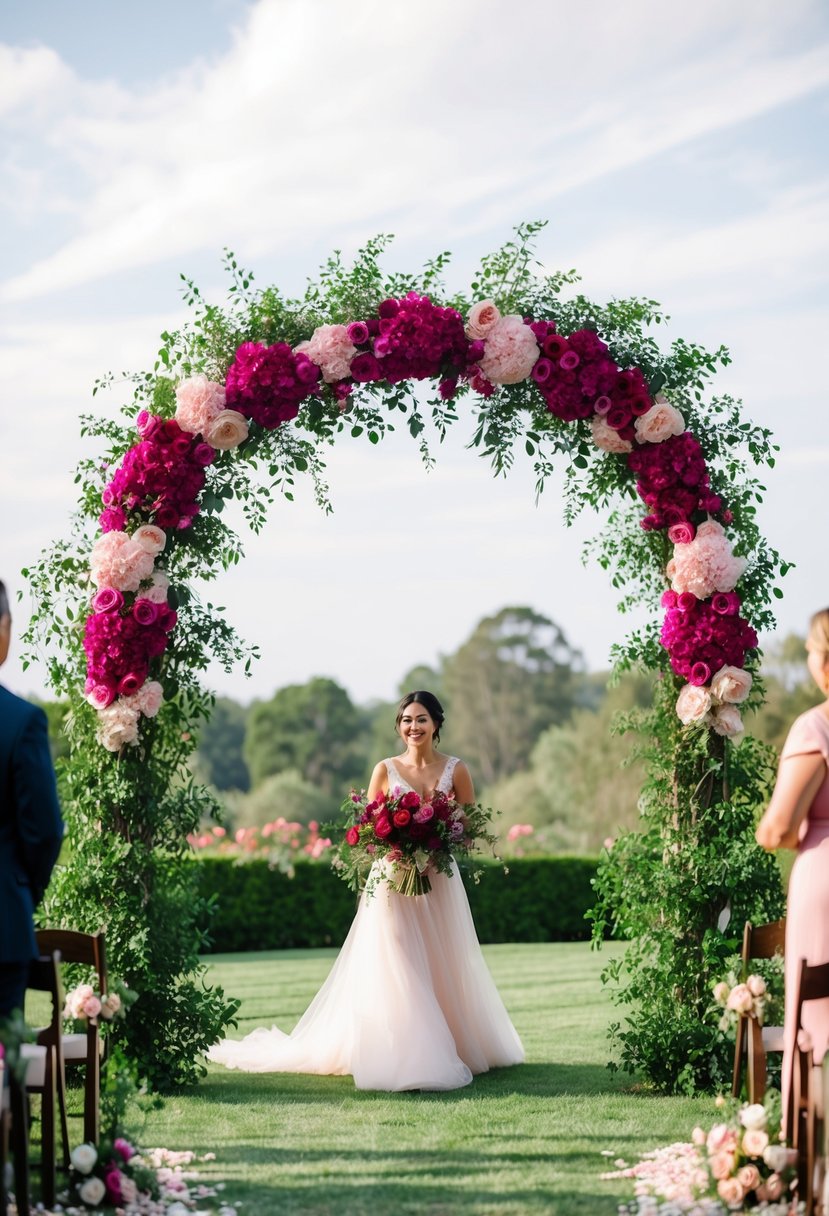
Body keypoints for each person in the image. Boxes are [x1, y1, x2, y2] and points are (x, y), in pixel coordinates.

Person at [209, 690, 524, 1090]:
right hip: (392, 880)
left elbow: (469, 826)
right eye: (407, 720)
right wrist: (398, 842)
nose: (414, 727)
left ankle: (454, 1043)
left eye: (422, 719)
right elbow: (369, 829)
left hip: (438, 879)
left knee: (442, 959)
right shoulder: (385, 769)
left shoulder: (456, 770)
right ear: (399, 726)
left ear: (437, 724)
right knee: (398, 959)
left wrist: (437, 838)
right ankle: (406, 1052)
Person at [756, 610, 829, 1129]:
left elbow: (779, 828)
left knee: (819, 1018)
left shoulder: (816, 725)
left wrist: (771, 832)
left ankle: (815, 1151)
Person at [0, 580, 65, 1018]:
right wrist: (23, 889)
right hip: (2, 925)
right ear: (3, 630)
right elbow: (43, 832)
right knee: (7, 1078)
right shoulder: (22, 722)